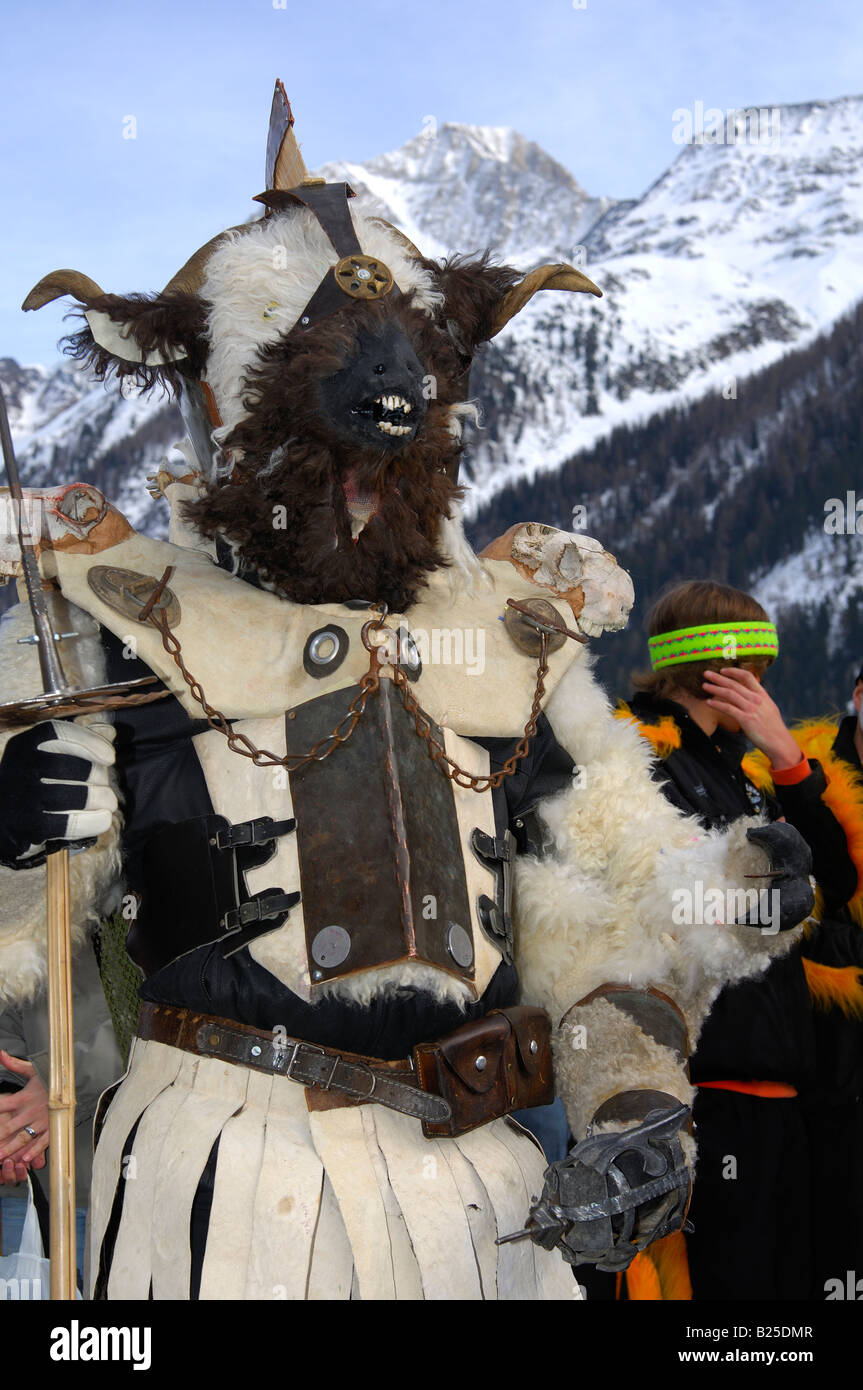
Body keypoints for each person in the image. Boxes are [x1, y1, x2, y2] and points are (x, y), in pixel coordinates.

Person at [618, 580, 858, 1300]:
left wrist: (786, 756)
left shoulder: (744, 771)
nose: (763, 690)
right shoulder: (638, 759)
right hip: (702, 1094)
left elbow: (836, 880)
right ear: (718, 670)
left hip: (779, 1091)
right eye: (755, 672)